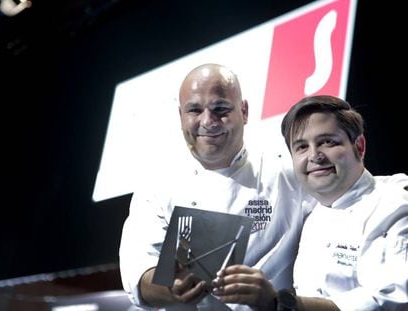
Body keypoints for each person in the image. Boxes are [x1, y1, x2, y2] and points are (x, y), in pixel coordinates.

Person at [118, 63, 315, 310]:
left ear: (244, 111)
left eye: (220, 108)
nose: (208, 121)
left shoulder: (289, 174)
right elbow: (138, 273)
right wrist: (170, 287)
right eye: (195, 110)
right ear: (181, 116)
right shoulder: (156, 188)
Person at [212, 95, 408, 310]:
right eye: (302, 147)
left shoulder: (394, 205)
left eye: (327, 142)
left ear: (359, 147)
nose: (315, 156)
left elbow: (391, 299)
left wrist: (281, 304)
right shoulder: (312, 213)